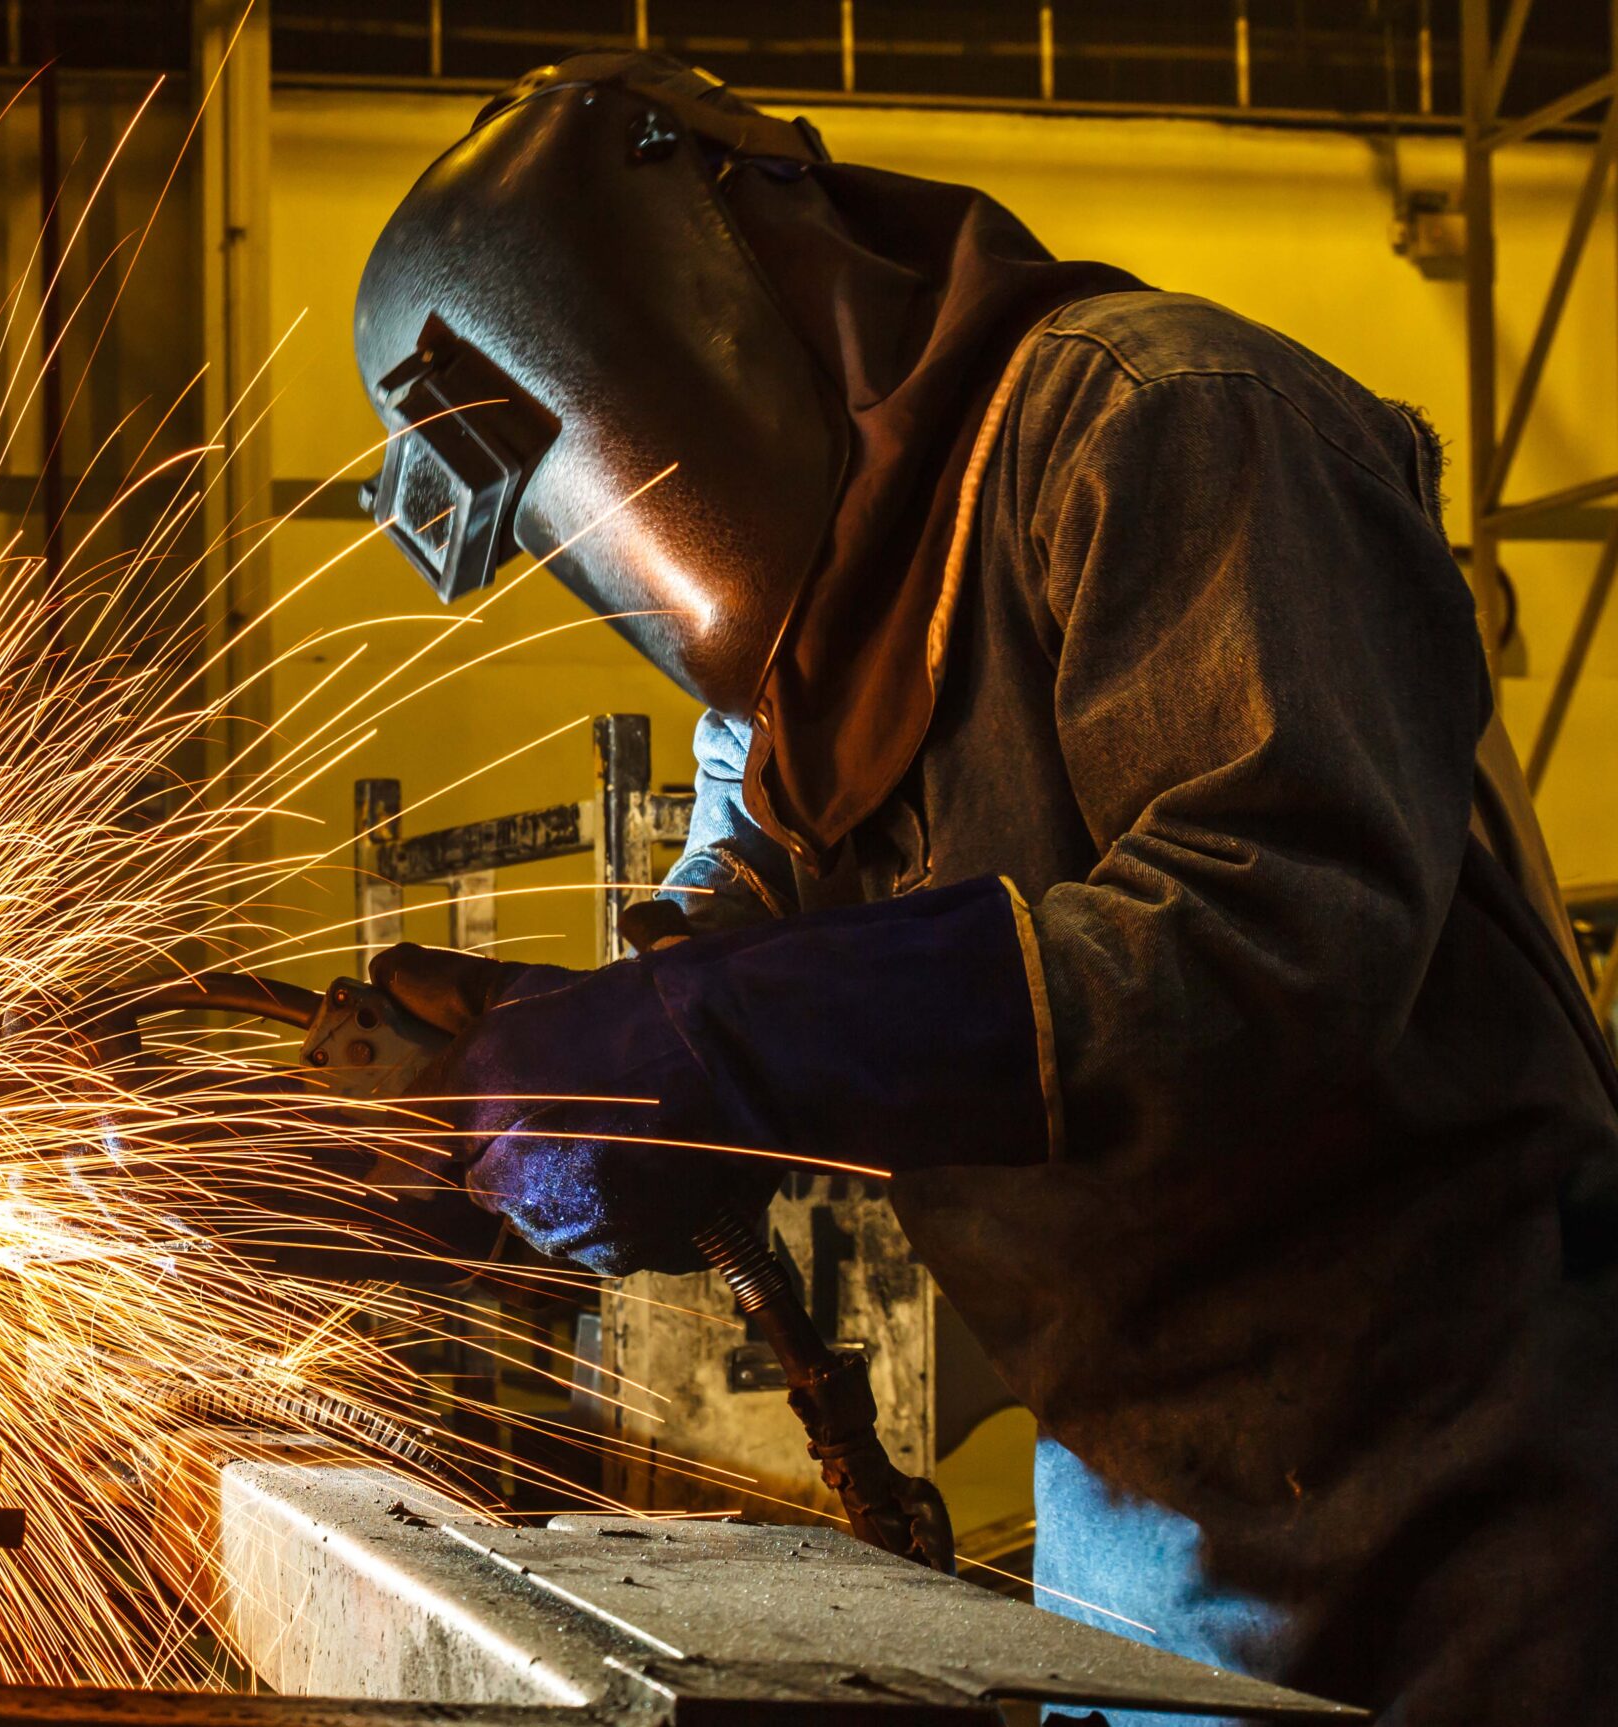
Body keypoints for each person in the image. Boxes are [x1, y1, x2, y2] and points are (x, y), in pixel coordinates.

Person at [350, 52, 1618, 1727]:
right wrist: (554, 1052)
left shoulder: (1169, 426)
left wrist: (721, 1041)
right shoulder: (808, 659)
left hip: (1472, 1512)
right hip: (1144, 1545)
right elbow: (742, 915)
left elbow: (1269, 944)